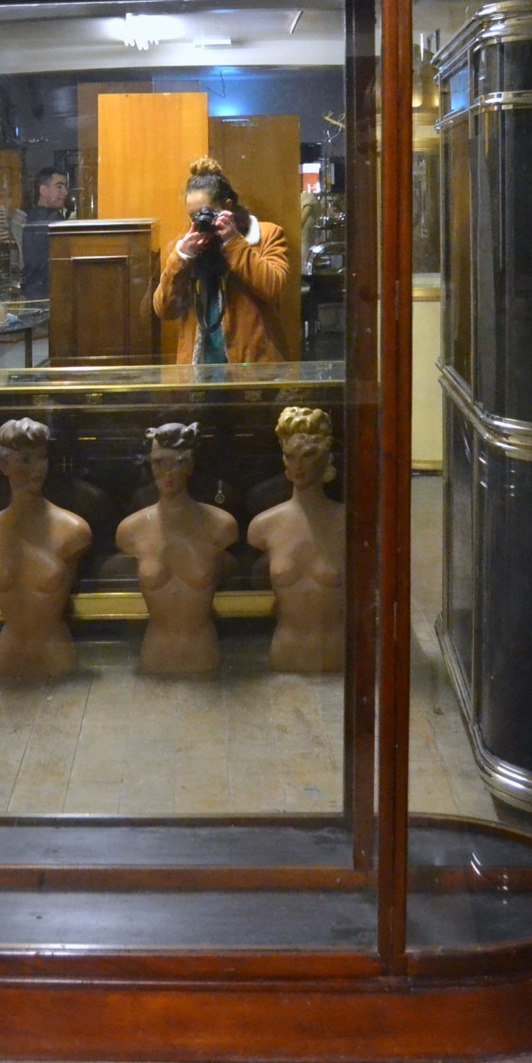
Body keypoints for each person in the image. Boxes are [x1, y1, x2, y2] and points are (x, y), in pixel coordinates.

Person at [0, 418, 91, 678]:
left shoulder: (73, 530)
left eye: (42, 457)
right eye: (26, 460)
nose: (38, 468)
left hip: (55, 654)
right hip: (8, 654)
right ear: (3, 464)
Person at [115, 422, 237, 677]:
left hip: (204, 654)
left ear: (191, 466)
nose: (167, 473)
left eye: (178, 463)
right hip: (154, 655)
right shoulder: (131, 530)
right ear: (149, 464)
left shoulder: (221, 525)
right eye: (159, 463)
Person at [152, 156, 289, 364]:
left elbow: (273, 288)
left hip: (251, 366)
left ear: (227, 206)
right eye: (193, 217)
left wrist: (233, 242)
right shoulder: (184, 246)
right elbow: (165, 309)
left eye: (207, 213)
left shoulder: (266, 235)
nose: (201, 222)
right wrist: (182, 258)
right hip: (199, 369)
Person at [247, 407, 345, 674]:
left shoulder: (348, 524)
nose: (298, 465)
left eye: (308, 455)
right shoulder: (263, 527)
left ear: (326, 458)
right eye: (290, 456)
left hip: (335, 655)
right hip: (285, 652)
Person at [17, 167, 69, 300]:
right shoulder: (50, 220)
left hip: (37, 294)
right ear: (43, 190)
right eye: (59, 187)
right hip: (45, 295)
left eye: (65, 187)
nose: (65, 192)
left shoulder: (31, 217)